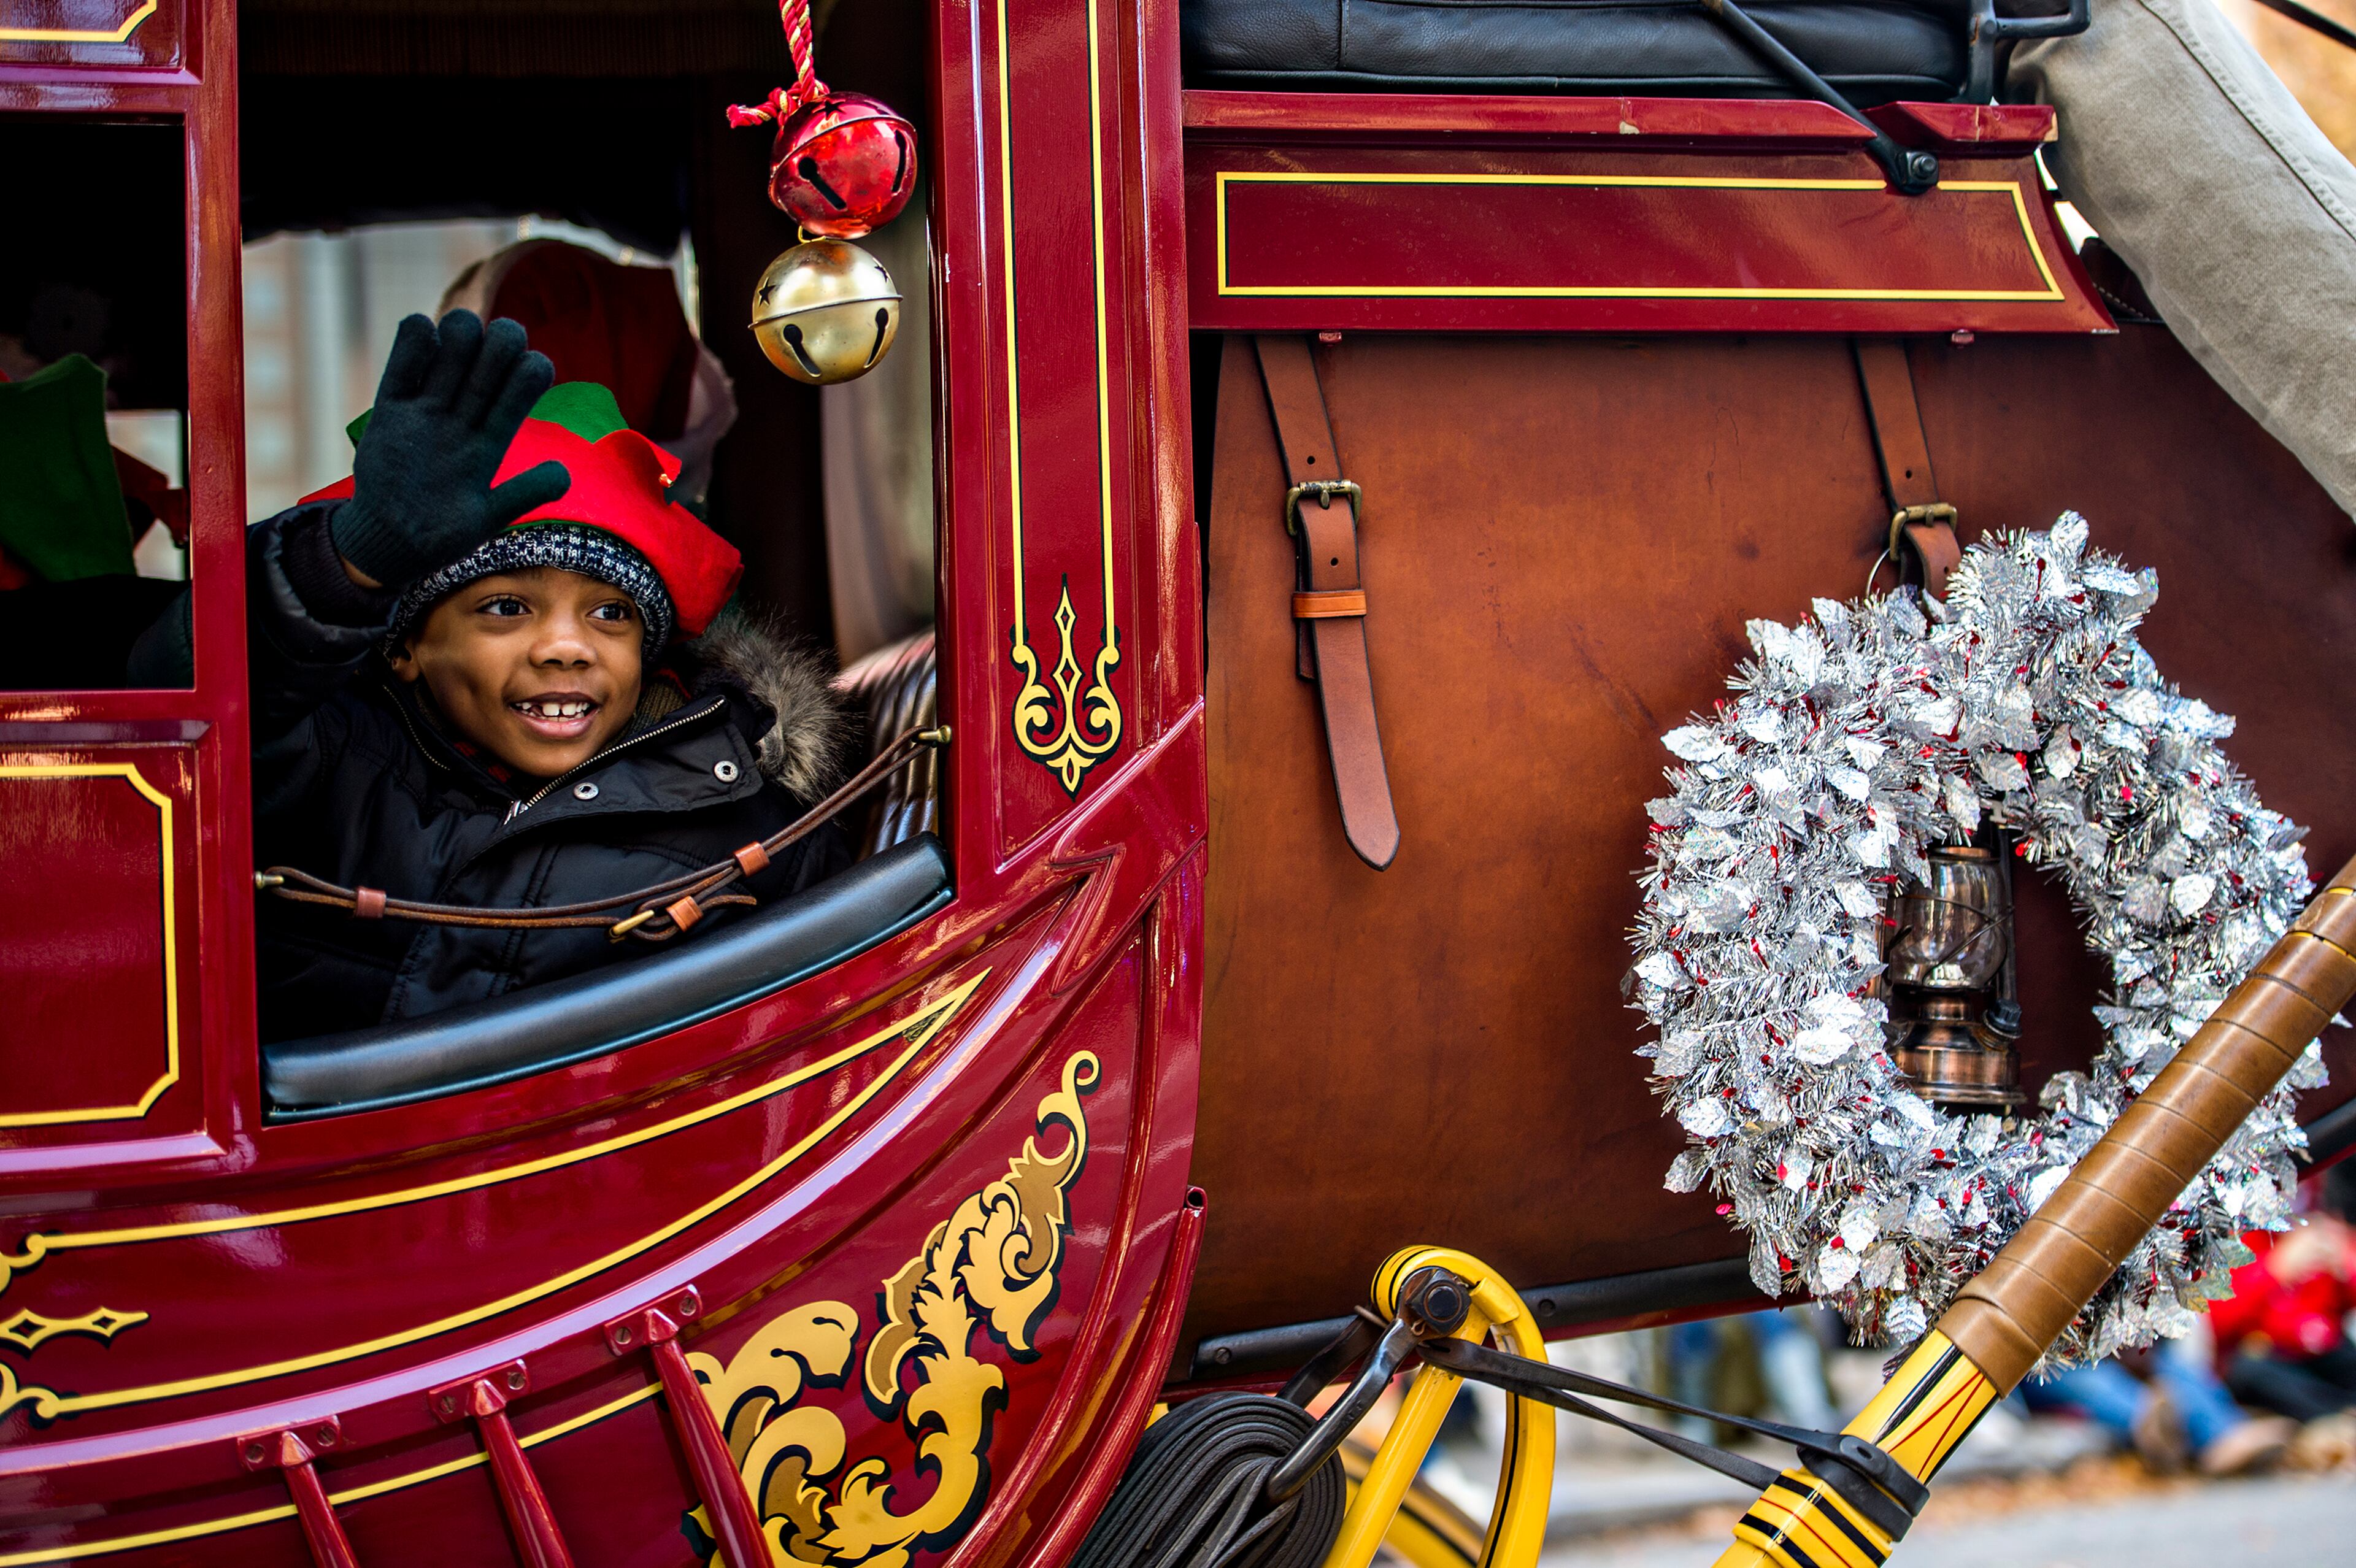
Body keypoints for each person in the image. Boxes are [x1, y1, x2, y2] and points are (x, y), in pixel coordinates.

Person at [222, 310, 847, 1040]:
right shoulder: (328, 760)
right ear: (407, 648)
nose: (566, 648)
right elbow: (213, 693)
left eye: (611, 615)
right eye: (507, 606)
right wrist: (349, 565)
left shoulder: (746, 819)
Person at [2019, 1334, 2295, 1476]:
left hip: (2107, 1348)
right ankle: (2154, 1425)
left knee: (2173, 1368)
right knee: (2097, 1384)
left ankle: (2227, 1433)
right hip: (2046, 1365)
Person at [2213, 1163, 2356, 1427]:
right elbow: (2219, 1322)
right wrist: (2276, 1270)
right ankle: (2335, 1421)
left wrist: (2346, 1261)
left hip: (2322, 1347)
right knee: (2251, 1372)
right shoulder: (2237, 1226)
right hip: (2265, 1353)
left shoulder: (2322, 1209)